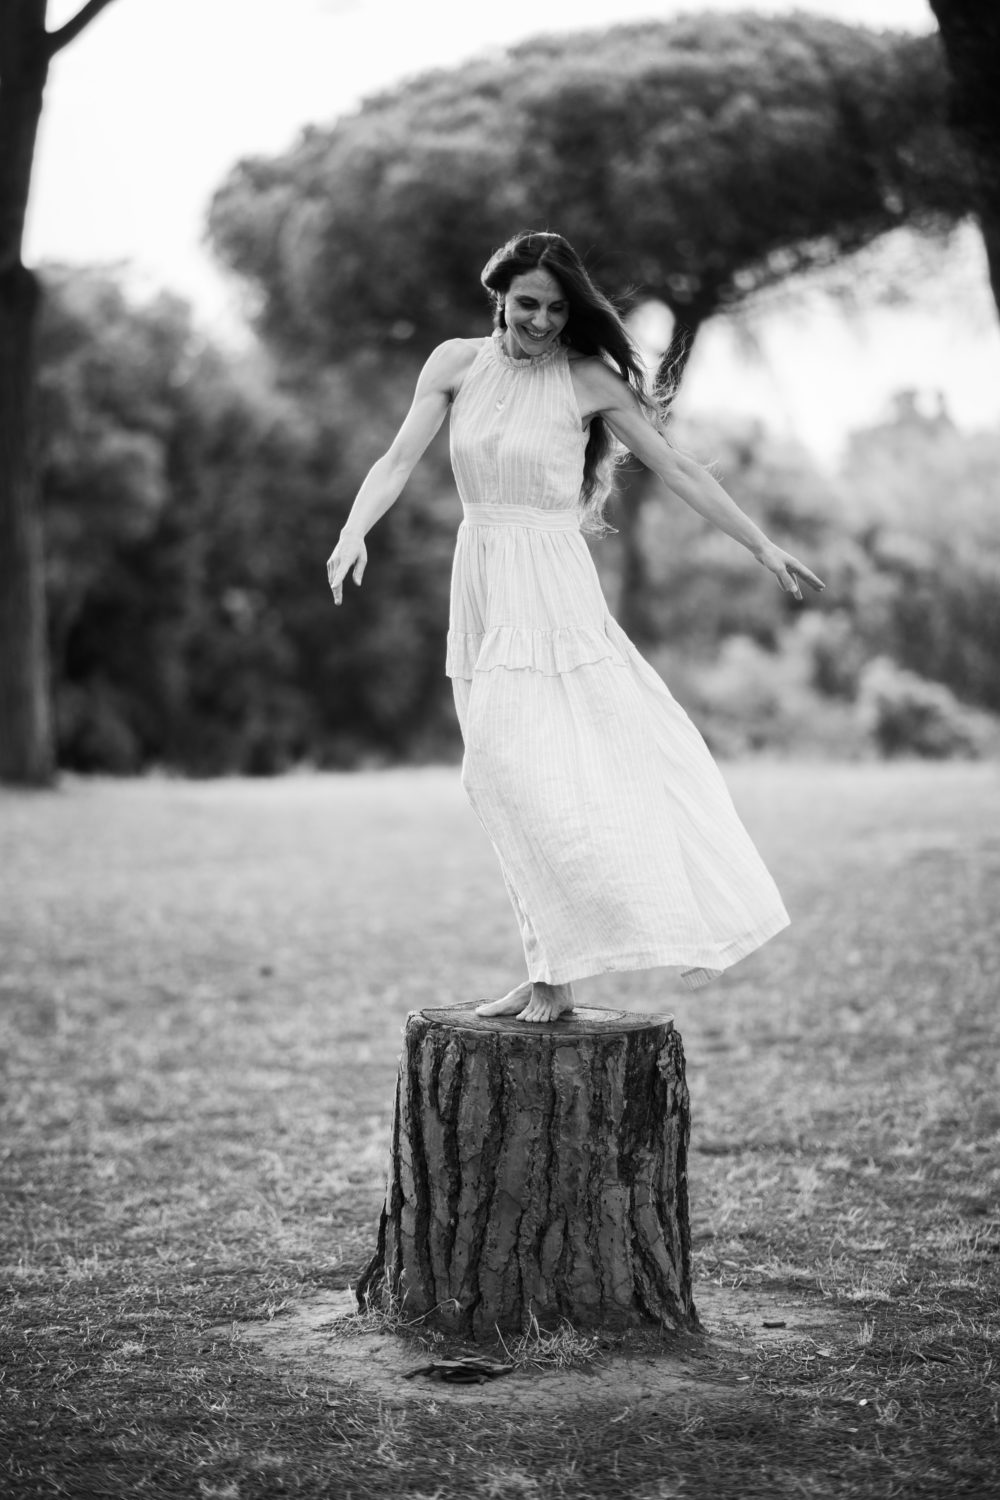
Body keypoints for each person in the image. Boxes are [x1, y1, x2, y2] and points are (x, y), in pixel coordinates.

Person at [327, 231, 824, 1023]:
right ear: (499, 294)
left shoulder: (587, 380)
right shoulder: (453, 364)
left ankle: (562, 971)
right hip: (481, 579)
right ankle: (548, 969)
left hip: (549, 589)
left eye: (558, 309)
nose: (542, 321)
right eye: (528, 303)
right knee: (502, 780)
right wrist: (355, 530)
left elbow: (676, 467)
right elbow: (395, 461)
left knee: (509, 770)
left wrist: (761, 545)